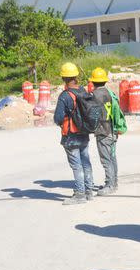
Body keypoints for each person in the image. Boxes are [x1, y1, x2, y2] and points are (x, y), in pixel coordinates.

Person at [53, 62, 94, 205]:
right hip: (84, 133)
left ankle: (80, 194)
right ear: (76, 76)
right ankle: (89, 191)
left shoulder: (64, 96)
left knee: (76, 165)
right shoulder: (83, 91)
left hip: (70, 136)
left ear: (64, 78)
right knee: (86, 162)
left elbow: (58, 118)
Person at [90, 67, 125, 196]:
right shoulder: (109, 93)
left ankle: (110, 185)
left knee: (106, 159)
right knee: (112, 157)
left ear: (93, 81)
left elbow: (93, 115)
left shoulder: (95, 95)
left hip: (103, 131)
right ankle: (114, 183)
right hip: (112, 130)